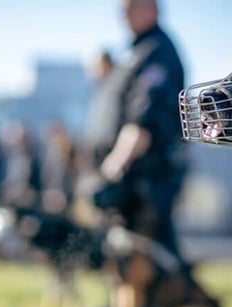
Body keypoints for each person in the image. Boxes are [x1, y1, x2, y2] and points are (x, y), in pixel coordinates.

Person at [88, 0, 188, 260]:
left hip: (147, 173)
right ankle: (135, 302)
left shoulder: (157, 51)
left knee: (154, 254)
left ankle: (179, 301)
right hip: (133, 173)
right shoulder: (136, 51)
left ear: (153, 9)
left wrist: (116, 164)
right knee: (131, 256)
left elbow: (145, 119)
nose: (124, 14)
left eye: (132, 6)